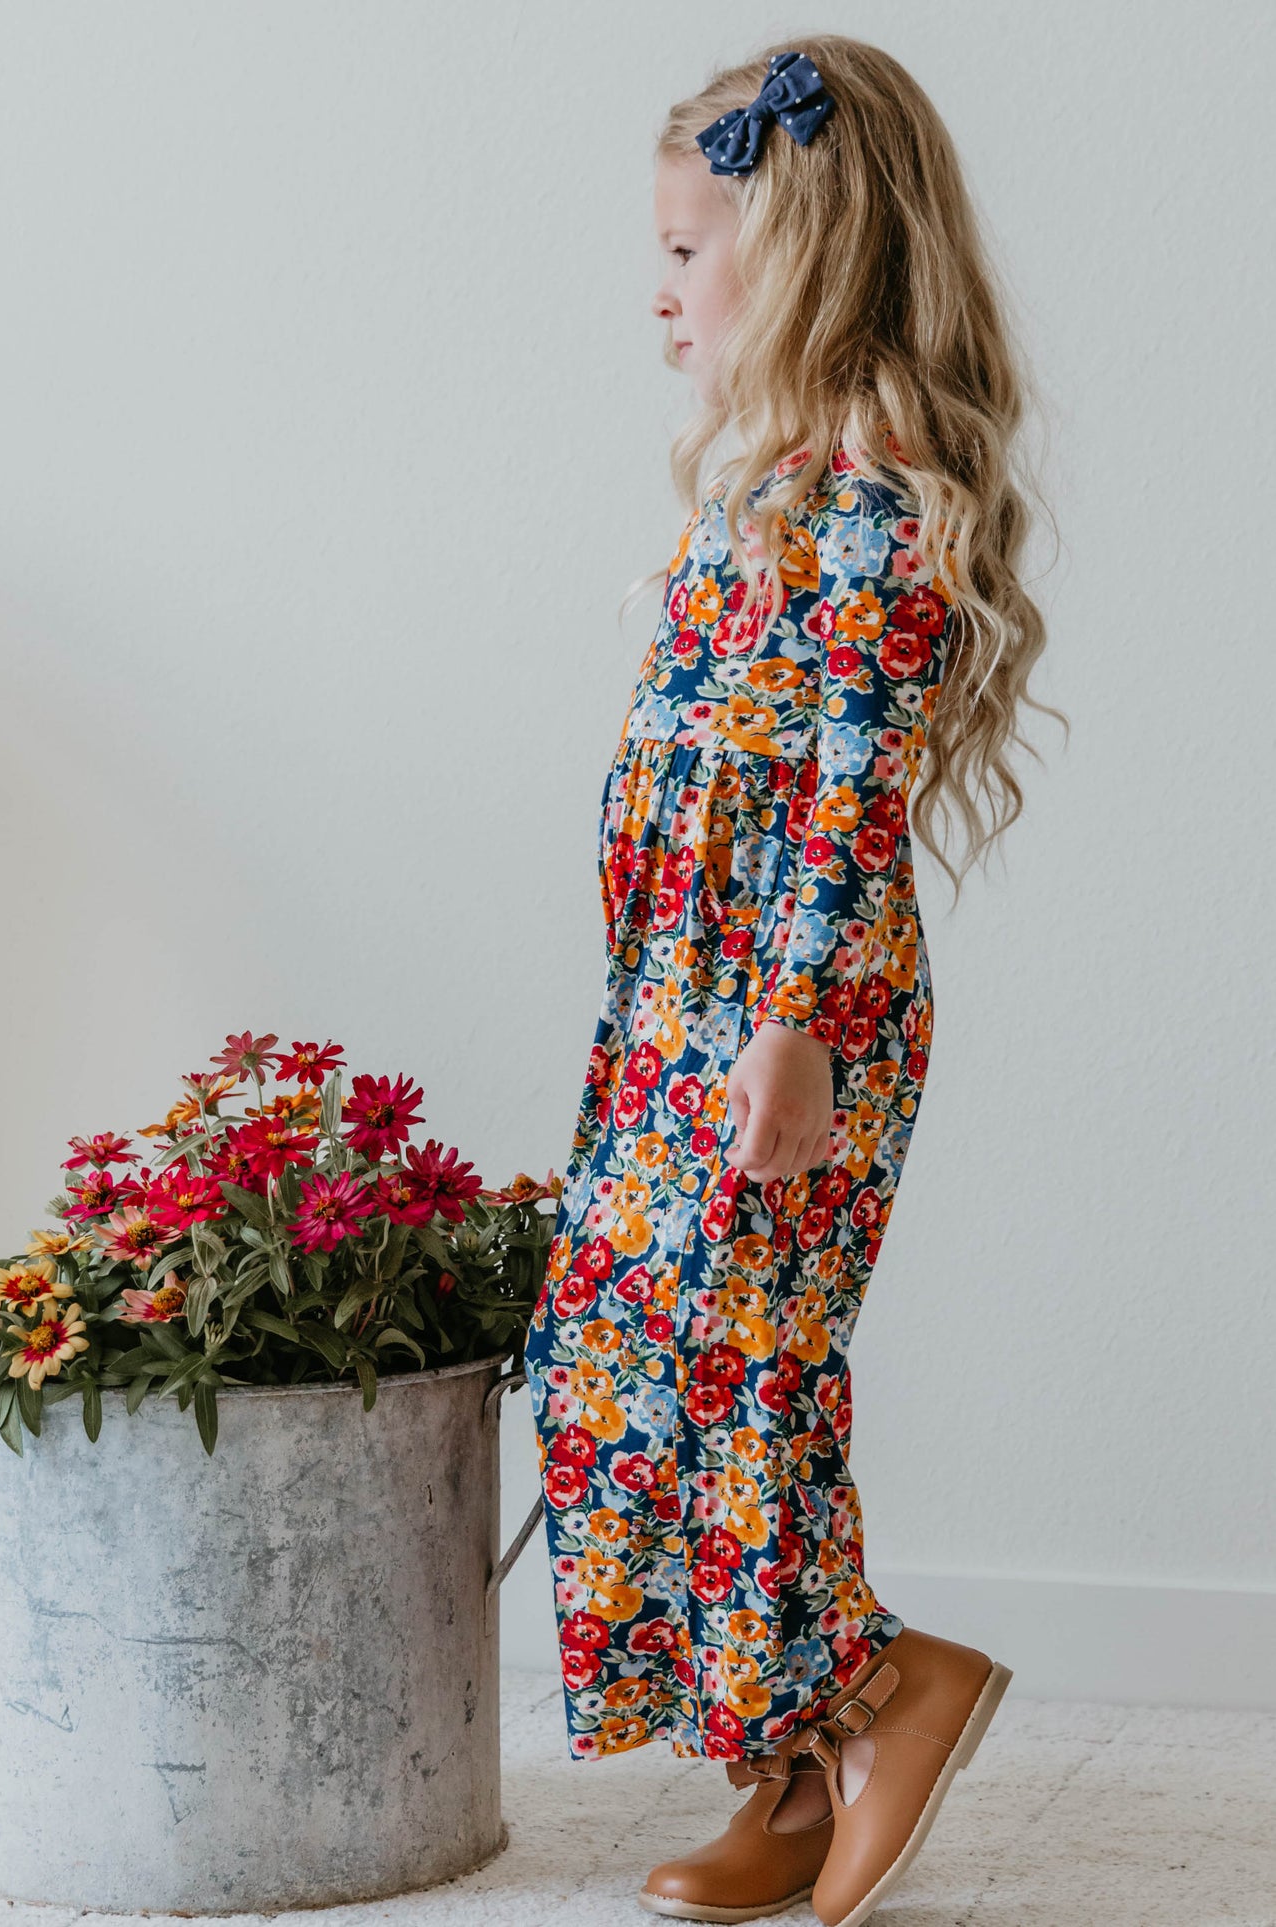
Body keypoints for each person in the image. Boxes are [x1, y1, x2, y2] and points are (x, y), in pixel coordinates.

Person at [517, 32, 1062, 1927]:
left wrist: (794, 1033)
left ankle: (879, 1693)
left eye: (685, 252)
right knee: (609, 1346)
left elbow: (842, 792)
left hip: (781, 1008)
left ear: (808, 249)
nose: (654, 292)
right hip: (677, 998)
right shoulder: (758, 490)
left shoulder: (874, 503)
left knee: (739, 1356)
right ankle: (793, 1747)